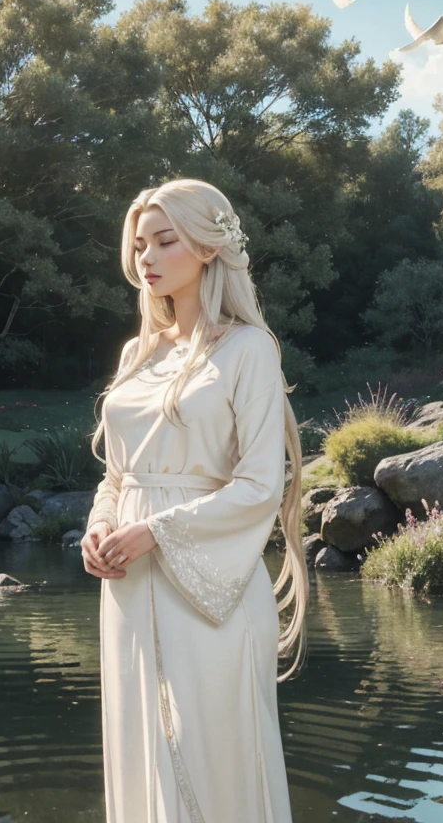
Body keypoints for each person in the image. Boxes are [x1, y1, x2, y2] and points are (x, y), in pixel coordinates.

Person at [81, 178, 308, 822]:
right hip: (126, 583)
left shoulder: (248, 349)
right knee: (143, 752)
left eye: (164, 240)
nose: (144, 258)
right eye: (138, 245)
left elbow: (261, 485)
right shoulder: (137, 353)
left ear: (208, 248)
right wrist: (99, 531)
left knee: (216, 761)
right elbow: (118, 477)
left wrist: (154, 529)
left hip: (212, 585)